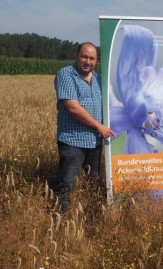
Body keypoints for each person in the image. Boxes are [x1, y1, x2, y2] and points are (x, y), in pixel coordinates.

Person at [52, 42, 115, 212]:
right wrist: (98, 125)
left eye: (92, 58)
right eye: (84, 57)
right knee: (66, 185)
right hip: (72, 141)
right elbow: (72, 107)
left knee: (92, 186)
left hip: (94, 143)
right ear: (77, 56)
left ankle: (88, 220)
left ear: (96, 60)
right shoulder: (66, 74)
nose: (88, 61)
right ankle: (57, 221)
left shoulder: (99, 79)